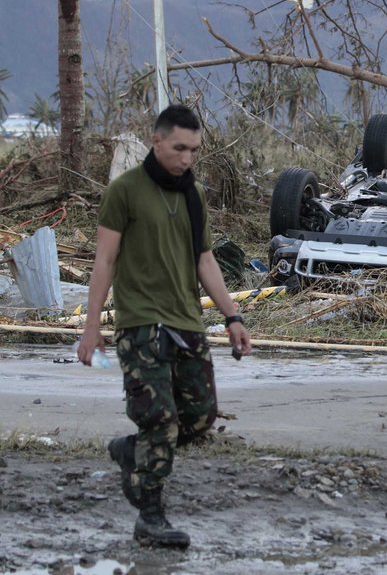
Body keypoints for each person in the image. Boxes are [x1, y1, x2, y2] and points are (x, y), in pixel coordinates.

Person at [76, 103, 251, 549]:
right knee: (159, 420)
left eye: (193, 150)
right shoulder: (125, 191)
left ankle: (129, 452)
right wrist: (91, 327)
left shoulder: (193, 195)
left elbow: (204, 259)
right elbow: (105, 260)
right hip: (141, 325)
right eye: (179, 148)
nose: (187, 158)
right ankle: (150, 517)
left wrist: (232, 316)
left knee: (198, 418)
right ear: (156, 141)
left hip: (187, 322)